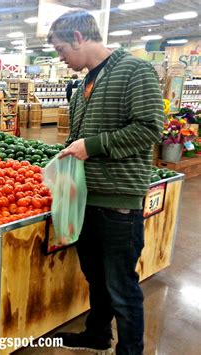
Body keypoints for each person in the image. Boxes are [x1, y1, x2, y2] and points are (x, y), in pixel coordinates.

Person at [48, 9, 163, 355]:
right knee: (96, 279)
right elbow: (81, 139)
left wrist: (90, 147)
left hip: (118, 203)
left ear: (79, 38)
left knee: (122, 287)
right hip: (87, 199)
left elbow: (149, 128)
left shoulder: (134, 70)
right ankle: (97, 334)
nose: (61, 58)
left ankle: (130, 351)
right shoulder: (84, 83)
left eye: (61, 49)